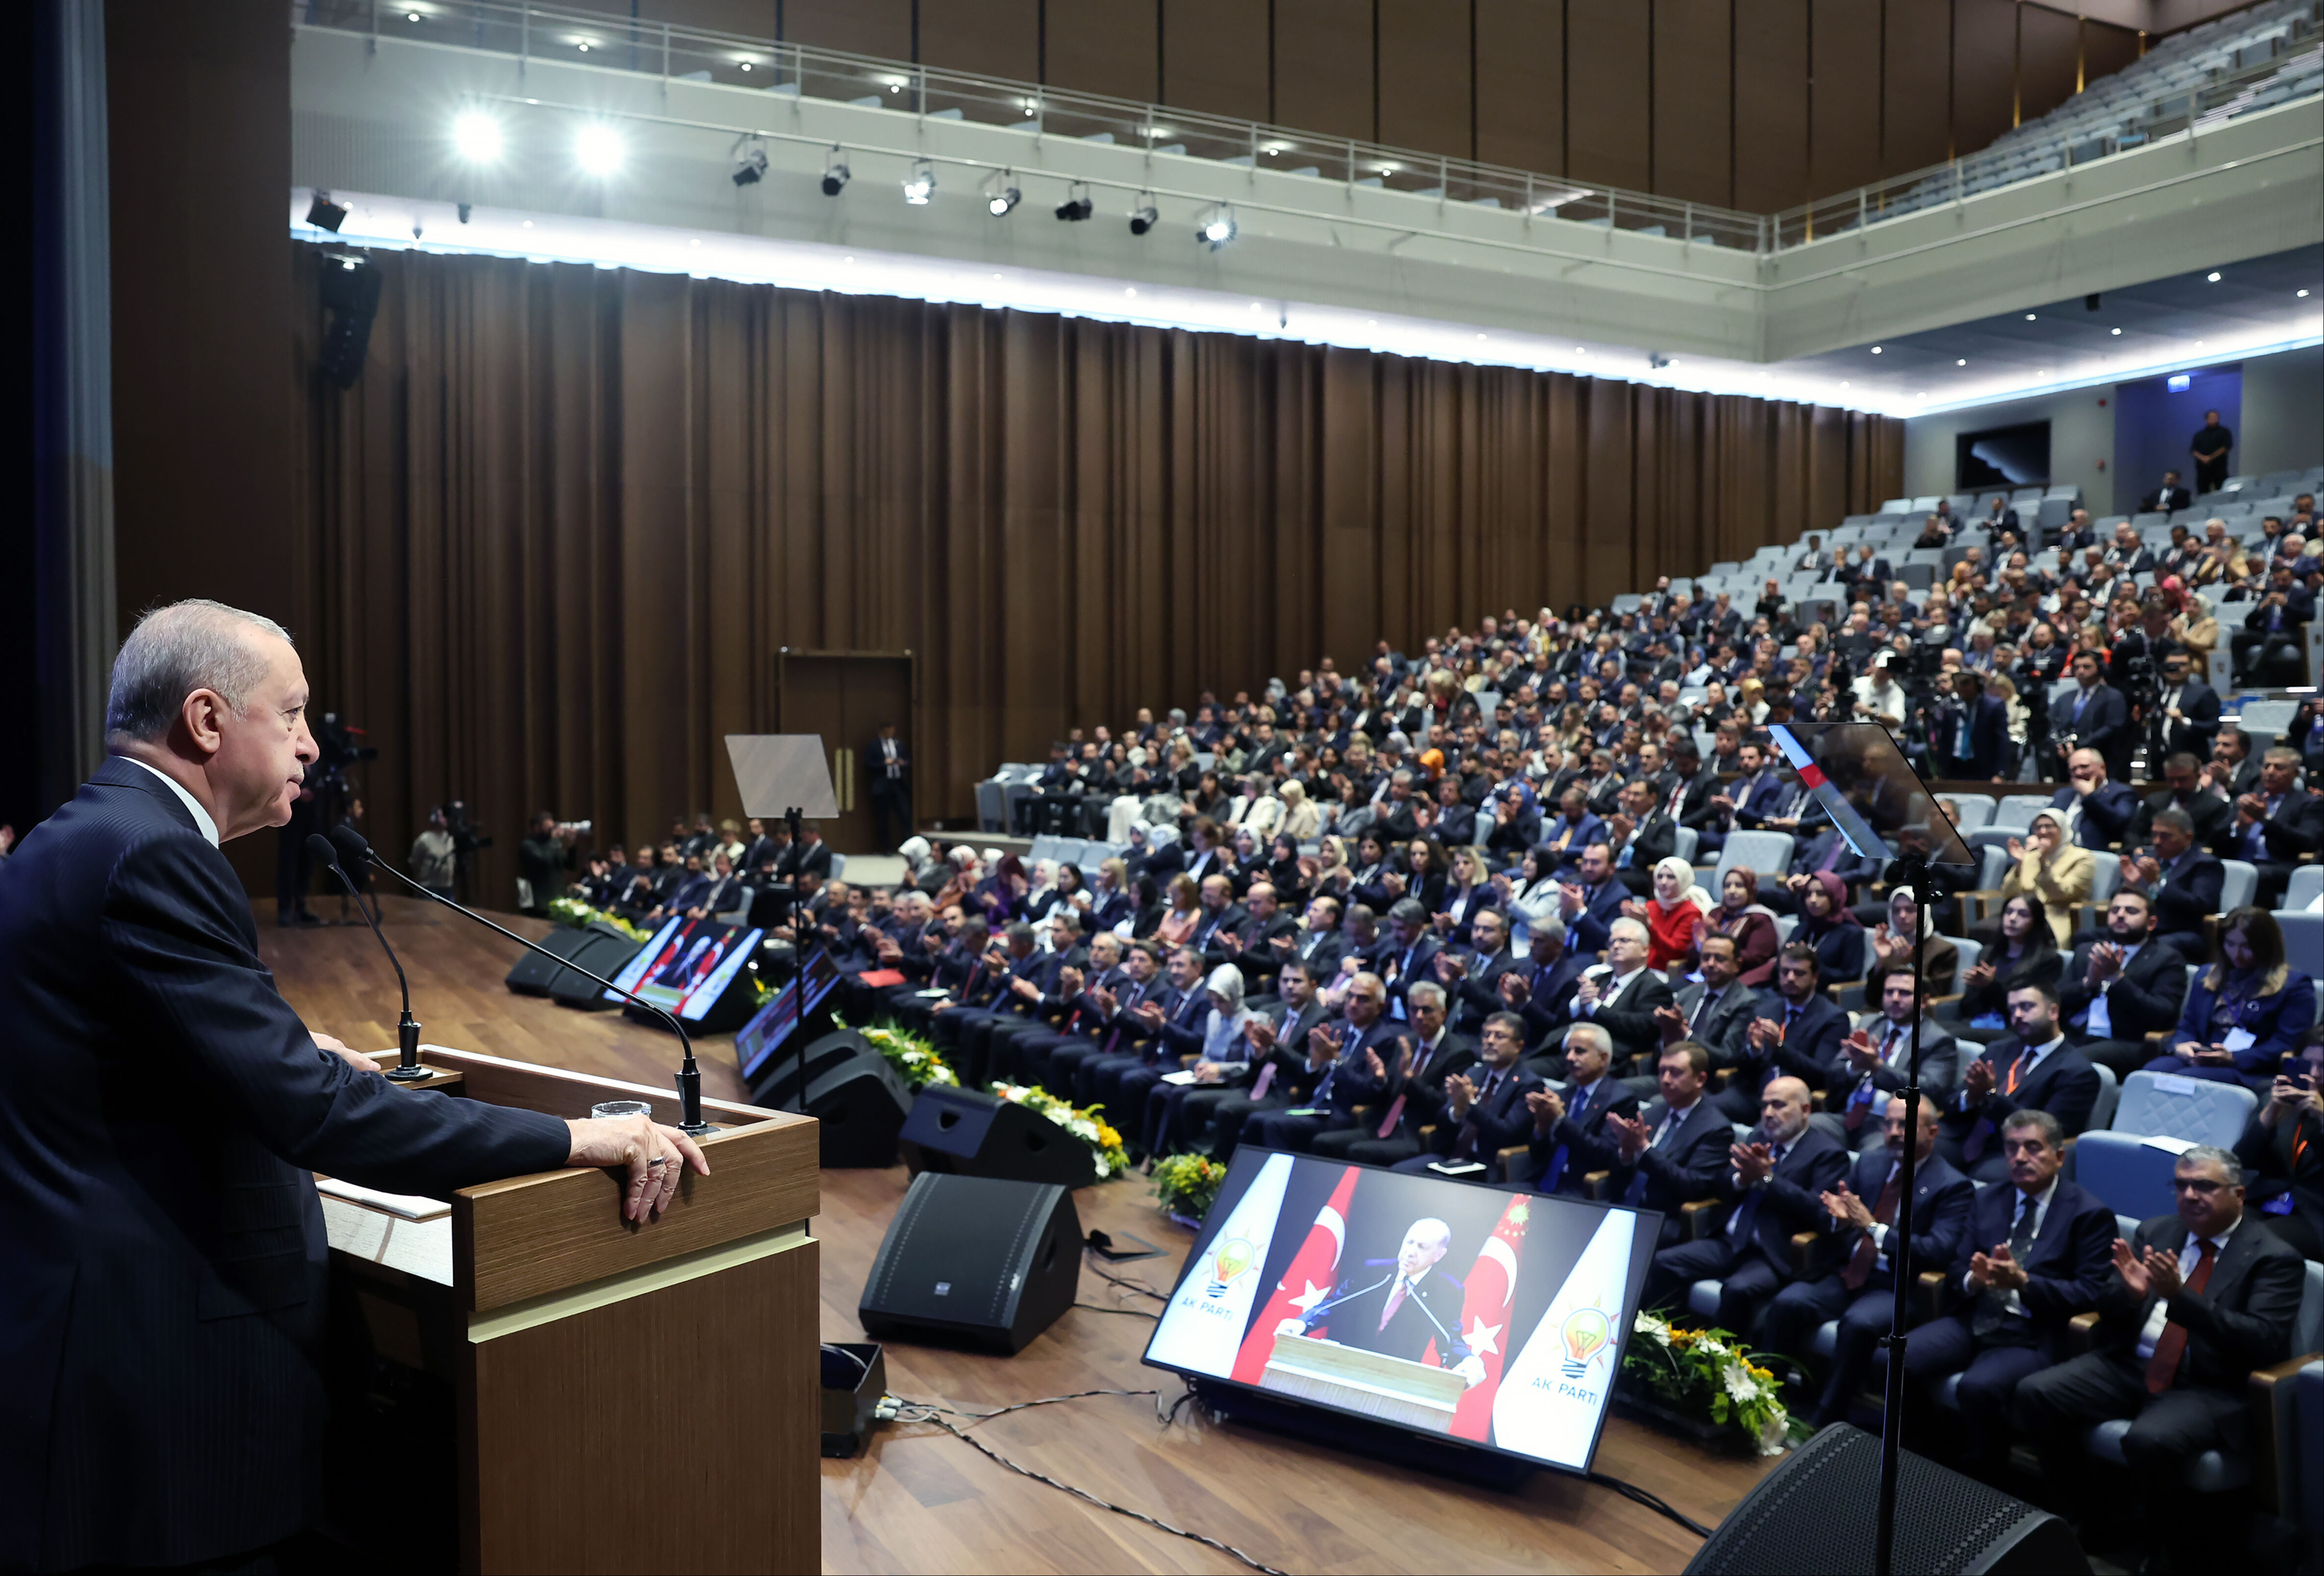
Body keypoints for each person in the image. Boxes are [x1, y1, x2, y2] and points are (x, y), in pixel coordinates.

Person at [0, 600, 709, 1572]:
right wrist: (576, 1140)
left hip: (83, 1334)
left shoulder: (70, 835)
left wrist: (285, 1043)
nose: (309, 748)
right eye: (291, 715)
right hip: (162, 1373)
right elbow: (315, 1113)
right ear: (207, 721)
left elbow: (111, 1054)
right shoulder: (158, 855)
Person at [2013, 1147, 2304, 1572]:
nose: (2189, 1195)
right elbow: (2109, 1303)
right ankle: (2087, 1520)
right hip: (2131, 1363)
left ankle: (2165, 1552)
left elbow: (2262, 1340)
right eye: (2181, 1185)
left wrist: (2180, 1299)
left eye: (2203, 1185)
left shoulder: (2272, 1257)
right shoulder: (2157, 1231)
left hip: (2206, 1382)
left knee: (2149, 1440)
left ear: (2238, 1194)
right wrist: (2127, 1295)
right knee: (2035, 1393)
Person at [1897, 1110, 2115, 1478]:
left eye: (2032, 1148)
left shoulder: (2089, 1214)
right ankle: (1929, 1457)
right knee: (1895, 1358)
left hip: (2033, 1333)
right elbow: (1955, 1266)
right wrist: (1973, 1279)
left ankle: (1989, 1476)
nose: (2019, 1157)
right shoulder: (1988, 1198)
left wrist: (2023, 1283)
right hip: (1974, 1316)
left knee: (1977, 1387)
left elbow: (2090, 1294)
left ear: (2059, 1156)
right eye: (2011, 1148)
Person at [1768, 1095, 1974, 1428]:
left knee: (1859, 1323)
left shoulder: (1952, 1185)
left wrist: (1873, 1228)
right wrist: (1837, 1219)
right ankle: (1767, 1398)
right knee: (1788, 1302)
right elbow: (1841, 1218)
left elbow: (1937, 1249)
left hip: (1897, 1285)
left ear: (1932, 1131)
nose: (1893, 1132)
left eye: (1904, 1125)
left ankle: (1824, 1420)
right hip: (1848, 1271)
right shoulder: (1870, 1161)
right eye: (1888, 1124)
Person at [1641, 1077, 1847, 1333]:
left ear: (1806, 1110)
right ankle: (1669, 1342)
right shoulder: (1758, 1136)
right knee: (1664, 1263)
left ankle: (1722, 1362)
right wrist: (1742, 1180)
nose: (1768, 1113)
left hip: (1772, 1252)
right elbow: (1721, 1186)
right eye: (1764, 1106)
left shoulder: (1827, 1154)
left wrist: (1767, 1180)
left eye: (1779, 1105)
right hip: (1730, 1242)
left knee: (1738, 1289)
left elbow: (1818, 1210)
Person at [1938, 982, 2102, 1183]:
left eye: (2026, 1007)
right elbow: (1950, 1100)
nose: (2017, 1015)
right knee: (1915, 1146)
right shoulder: (1997, 1050)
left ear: (2053, 1011)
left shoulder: (2077, 1072)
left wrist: (1991, 1095)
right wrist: (1970, 1098)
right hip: (1966, 1136)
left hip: (2015, 1151)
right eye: (2012, 1009)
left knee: (1984, 1176)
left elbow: (2049, 1132)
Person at [1278, 1217, 1478, 1378]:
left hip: (1394, 1380)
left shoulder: (1447, 1291)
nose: (1410, 1252)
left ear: (1439, 1255)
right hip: (1341, 1369)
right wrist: (1302, 1323)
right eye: (1409, 1242)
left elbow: (1450, 1340)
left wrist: (1469, 1362)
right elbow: (1334, 1305)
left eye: (1422, 1247)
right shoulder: (1374, 1272)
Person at [2147, 908, 2317, 1096]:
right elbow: (2188, 1025)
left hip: (2247, 1069)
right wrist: (2181, 1045)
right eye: (2230, 944)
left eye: (2247, 947)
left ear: (2268, 947)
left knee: (2186, 1081)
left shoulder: (2294, 986)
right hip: (2201, 1057)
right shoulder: (2206, 976)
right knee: (2149, 1075)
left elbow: (2286, 1043)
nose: (2237, 953)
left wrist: (2233, 1057)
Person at [1602, 1042, 1736, 1246]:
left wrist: (1644, 1149)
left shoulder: (1716, 1129)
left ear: (1700, 1079)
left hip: (1667, 1219)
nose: (1665, 1080)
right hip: (1624, 1206)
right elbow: (1618, 1174)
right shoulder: (1651, 1113)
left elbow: (1692, 1186)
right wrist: (1626, 1153)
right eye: (1662, 1072)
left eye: (1675, 1073)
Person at [2056, 889, 2190, 1080]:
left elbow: (2163, 1014)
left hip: (2126, 1041)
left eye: (2131, 911)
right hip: (2077, 1033)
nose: (2120, 915)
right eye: (2115, 910)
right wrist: (2087, 984)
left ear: (2151, 923)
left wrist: (2117, 978)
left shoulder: (2167, 959)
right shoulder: (2087, 951)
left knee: (2069, 1060)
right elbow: (2055, 1000)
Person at [1831, 973, 1959, 1145]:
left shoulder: (1938, 1041)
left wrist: (1877, 1067)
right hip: (1845, 1115)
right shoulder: (1869, 1024)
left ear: (1924, 1000)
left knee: (1872, 1157)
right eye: (1889, 992)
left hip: (1890, 1125)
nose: (1895, 998)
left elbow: (1932, 1089)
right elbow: (1832, 1072)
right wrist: (1854, 1067)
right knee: (1810, 1131)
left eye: (1905, 993)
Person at [1518, 1022, 1640, 1195]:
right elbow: (1537, 1156)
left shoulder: (1621, 1100)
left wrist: (1561, 1121)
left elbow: (1605, 1155)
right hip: (1540, 1183)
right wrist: (1542, 1127)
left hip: (1581, 1189)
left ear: (1603, 1058)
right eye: (1568, 1051)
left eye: (1579, 1051)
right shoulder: (1564, 1094)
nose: (1569, 1057)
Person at [2235, 1040, 2323, 1261]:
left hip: (2314, 1215)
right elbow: (2239, 1163)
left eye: (2323, 1066)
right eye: (2306, 1064)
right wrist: (2268, 1119)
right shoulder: (2273, 1100)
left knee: (2259, 1240)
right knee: (2214, 1220)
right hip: (2264, 1199)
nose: (2313, 1073)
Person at [1945, 894, 2061, 1036]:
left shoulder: (2048, 960)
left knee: (1949, 1035)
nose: (2012, 919)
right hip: (1979, 1020)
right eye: (2009, 912)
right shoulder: (1988, 954)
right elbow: (1967, 1007)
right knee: (1929, 1029)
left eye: (2023, 915)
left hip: (2013, 1027)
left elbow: (2027, 1009)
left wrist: (1991, 987)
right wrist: (1978, 988)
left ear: (2035, 922)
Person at [1994, 809, 2094, 944]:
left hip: (2055, 916)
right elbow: (2007, 893)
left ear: (2062, 828)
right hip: (2021, 913)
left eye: (2049, 826)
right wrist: (2019, 864)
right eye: (2038, 827)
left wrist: (2044, 865)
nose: (2043, 831)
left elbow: (2063, 894)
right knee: (1985, 930)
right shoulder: (2030, 856)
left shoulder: (2083, 858)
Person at [867, 721, 911, 850]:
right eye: (888, 730)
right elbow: (869, 764)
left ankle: (907, 847)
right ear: (882, 731)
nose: (891, 733)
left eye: (892, 730)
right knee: (883, 818)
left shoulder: (899, 744)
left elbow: (908, 760)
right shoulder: (874, 745)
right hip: (883, 785)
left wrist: (903, 763)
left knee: (905, 815)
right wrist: (885, 763)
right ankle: (885, 848)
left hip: (899, 784)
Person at [409, 804, 457, 899]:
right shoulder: (424, 840)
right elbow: (415, 862)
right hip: (430, 889)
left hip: (447, 888)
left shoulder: (450, 838)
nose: (445, 819)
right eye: (442, 816)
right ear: (434, 818)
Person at [2188, 409, 2233, 495]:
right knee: (2203, 491)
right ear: (2207, 419)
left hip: (2219, 467)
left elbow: (2226, 447)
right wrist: (2203, 458)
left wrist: (2211, 457)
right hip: (2203, 468)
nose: (2214, 419)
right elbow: (2194, 450)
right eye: (2212, 417)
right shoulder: (2199, 434)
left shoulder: (2224, 432)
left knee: (2221, 490)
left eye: (2216, 417)